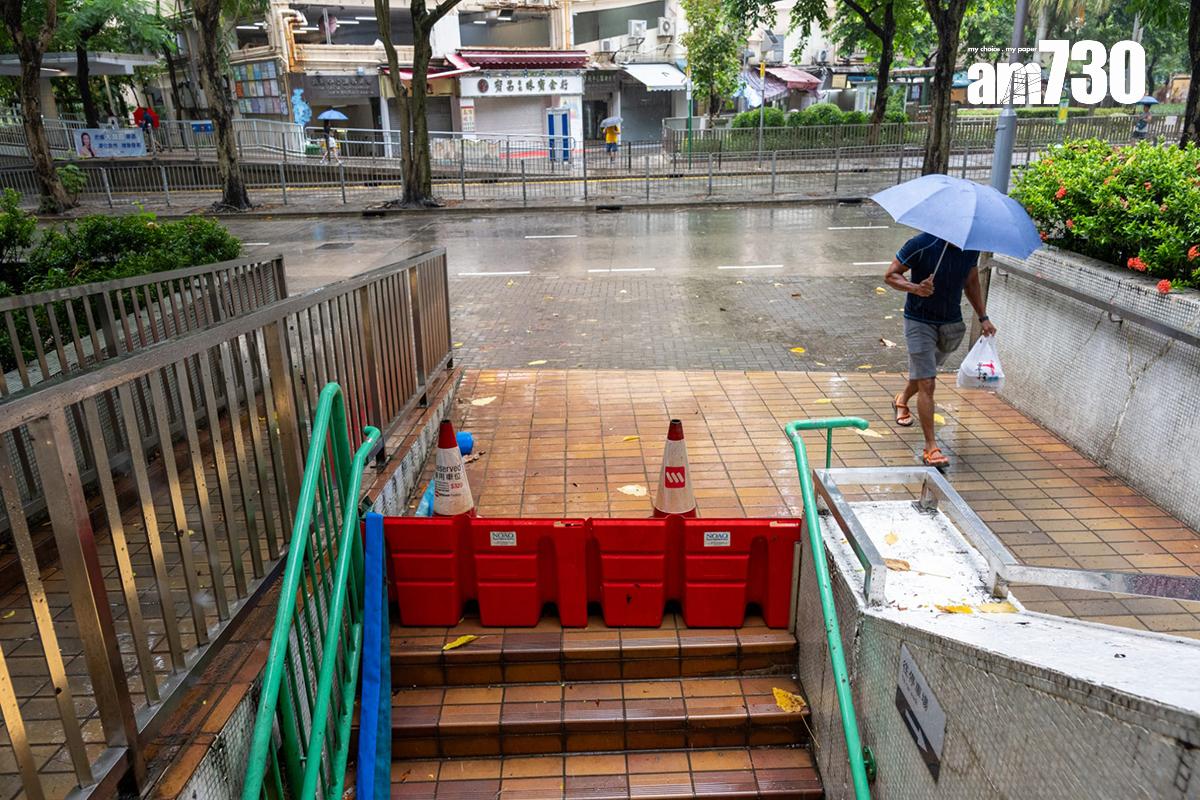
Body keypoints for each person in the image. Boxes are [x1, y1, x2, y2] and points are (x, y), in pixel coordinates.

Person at [885, 232, 996, 469]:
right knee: (927, 381)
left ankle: (902, 399)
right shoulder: (921, 244)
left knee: (925, 373)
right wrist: (915, 288)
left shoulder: (970, 249)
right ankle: (931, 447)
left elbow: (971, 282)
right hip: (919, 321)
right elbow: (891, 275)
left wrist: (983, 317)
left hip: (951, 323)